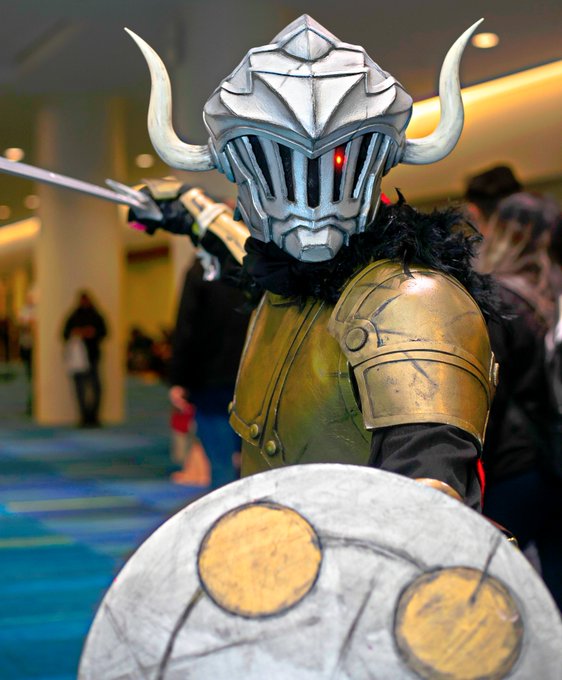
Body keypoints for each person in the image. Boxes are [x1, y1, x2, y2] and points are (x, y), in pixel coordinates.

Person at [127, 15, 498, 510]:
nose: (310, 204)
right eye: (282, 162)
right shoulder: (292, 281)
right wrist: (190, 209)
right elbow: (241, 250)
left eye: (334, 161)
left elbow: (429, 506)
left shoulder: (409, 305)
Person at [476, 192, 562, 609]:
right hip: (549, 459)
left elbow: (489, 394)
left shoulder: (498, 299)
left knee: (486, 587)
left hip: (510, 466)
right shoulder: (548, 295)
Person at [168, 256, 251, 489]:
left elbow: (186, 326)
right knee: (254, 466)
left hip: (209, 380)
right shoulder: (258, 263)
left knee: (221, 466)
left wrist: (178, 379)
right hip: (251, 379)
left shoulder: (201, 269)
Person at [62, 290, 107, 427]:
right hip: (78, 359)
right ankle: (84, 415)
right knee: (80, 389)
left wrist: (93, 333)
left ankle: (93, 415)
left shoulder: (96, 316)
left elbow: (105, 332)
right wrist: (76, 332)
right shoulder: (74, 316)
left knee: (95, 388)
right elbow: (64, 333)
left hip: (92, 356)